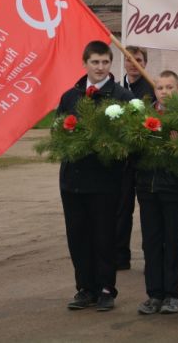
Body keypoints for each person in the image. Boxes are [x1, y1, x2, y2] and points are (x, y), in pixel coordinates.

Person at [58, 40, 134, 311]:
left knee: (104, 236)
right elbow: (58, 134)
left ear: (110, 64)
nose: (100, 67)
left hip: (105, 181)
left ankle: (105, 289)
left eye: (105, 62)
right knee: (77, 236)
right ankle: (84, 288)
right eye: (95, 62)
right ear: (85, 63)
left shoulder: (122, 98)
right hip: (73, 181)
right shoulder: (70, 97)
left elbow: (130, 139)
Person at [136, 70, 178, 315]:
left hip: (173, 190)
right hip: (148, 189)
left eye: (170, 87)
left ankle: (172, 293)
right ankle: (154, 294)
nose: (165, 92)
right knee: (151, 242)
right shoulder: (144, 117)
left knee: (172, 241)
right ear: (154, 91)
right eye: (161, 88)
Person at [116, 46, 156, 271]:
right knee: (121, 209)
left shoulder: (151, 88)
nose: (133, 64)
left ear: (145, 63)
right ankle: (121, 256)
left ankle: (153, 256)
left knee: (149, 210)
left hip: (144, 160)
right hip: (122, 161)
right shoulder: (117, 89)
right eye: (129, 59)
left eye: (137, 59)